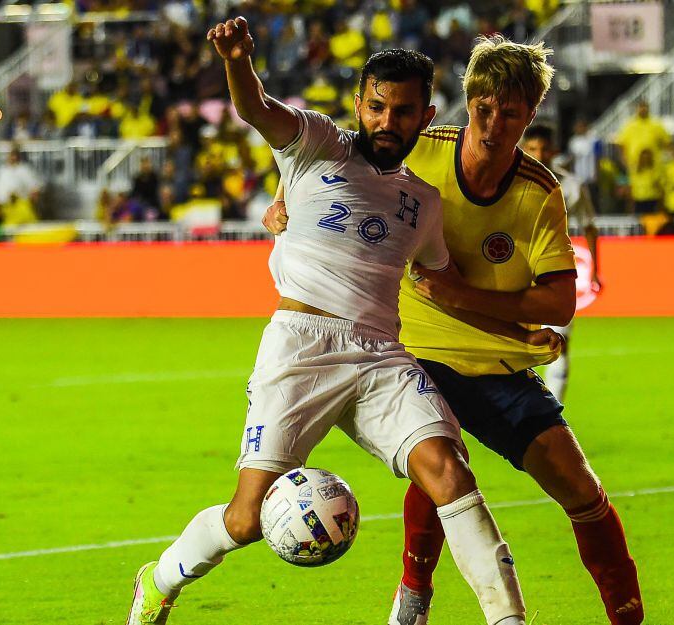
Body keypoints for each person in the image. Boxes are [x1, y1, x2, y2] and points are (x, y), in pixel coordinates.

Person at [127, 18, 544, 625]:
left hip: (379, 353)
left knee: (449, 470)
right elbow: (256, 108)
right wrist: (239, 62)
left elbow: (446, 291)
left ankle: (508, 619)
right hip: (301, 346)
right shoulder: (316, 143)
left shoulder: (423, 203)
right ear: (358, 104)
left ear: (425, 117)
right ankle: (158, 580)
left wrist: (517, 334)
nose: (386, 122)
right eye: (376, 107)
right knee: (245, 520)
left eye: (402, 112)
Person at [266, 35, 643, 625]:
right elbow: (330, 152)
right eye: (483, 109)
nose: (493, 125)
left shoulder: (538, 193)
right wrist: (281, 194)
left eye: (510, 113)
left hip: (495, 363)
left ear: (531, 114)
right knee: (439, 464)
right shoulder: (420, 148)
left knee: (582, 492)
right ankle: (413, 601)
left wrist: (475, 303)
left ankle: (628, 617)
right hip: (412, 353)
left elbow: (561, 301)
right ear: (466, 105)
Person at [520, 123, 600, 403]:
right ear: (524, 148)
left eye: (543, 149)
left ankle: (552, 414)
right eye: (532, 149)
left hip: (556, 273)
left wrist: (597, 271)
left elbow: (589, 226)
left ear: (554, 151)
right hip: (517, 274)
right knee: (517, 345)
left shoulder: (571, 186)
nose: (539, 154)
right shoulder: (510, 179)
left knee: (559, 345)